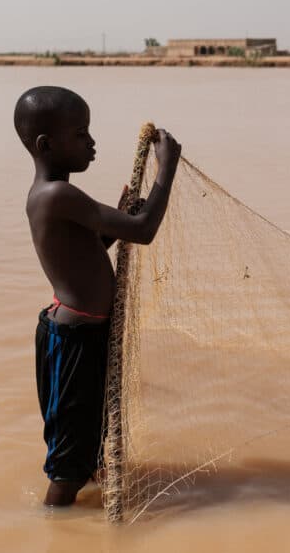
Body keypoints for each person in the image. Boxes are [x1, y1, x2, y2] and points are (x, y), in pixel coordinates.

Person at [13, 85, 181, 506]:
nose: (92, 143)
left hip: (81, 335)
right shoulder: (57, 194)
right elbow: (143, 232)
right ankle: (53, 523)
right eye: (81, 134)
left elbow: (90, 247)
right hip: (73, 343)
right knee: (69, 463)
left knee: (87, 443)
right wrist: (166, 171)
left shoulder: (56, 195)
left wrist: (118, 218)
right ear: (46, 145)